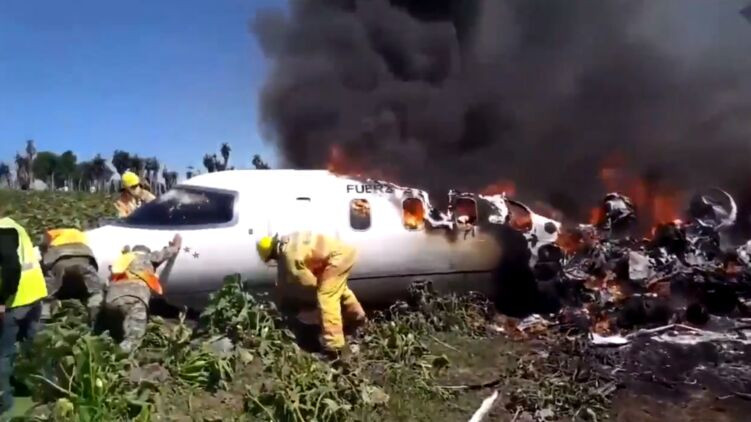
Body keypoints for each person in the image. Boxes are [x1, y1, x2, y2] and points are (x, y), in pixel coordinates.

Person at [256, 231, 366, 356]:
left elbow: (307, 283)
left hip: (337, 258)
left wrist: (307, 307)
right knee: (336, 290)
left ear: (272, 254)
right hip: (341, 253)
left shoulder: (290, 257)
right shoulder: (289, 241)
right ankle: (357, 319)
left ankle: (334, 348)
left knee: (326, 296)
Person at [0, 217, 48, 415]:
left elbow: (11, 268)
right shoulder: (12, 224)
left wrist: (2, 300)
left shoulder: (3, 231)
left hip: (15, 300)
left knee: (3, 353)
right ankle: (46, 390)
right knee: (36, 347)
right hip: (34, 293)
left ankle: (4, 401)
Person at [101, 234, 181, 353]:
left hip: (112, 300)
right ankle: (117, 361)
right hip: (135, 300)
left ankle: (104, 353)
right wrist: (175, 246)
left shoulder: (123, 260)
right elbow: (165, 253)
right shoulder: (147, 257)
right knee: (133, 340)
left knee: (111, 335)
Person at [39, 228, 107, 325]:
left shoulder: (52, 232)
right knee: (94, 291)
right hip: (84, 259)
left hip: (59, 259)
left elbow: (43, 248)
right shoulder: (79, 233)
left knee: (47, 293)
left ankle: (43, 320)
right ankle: (96, 320)